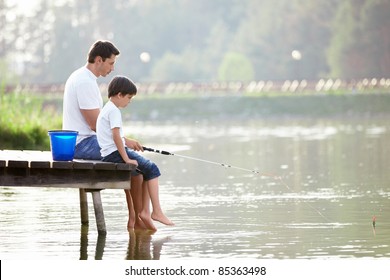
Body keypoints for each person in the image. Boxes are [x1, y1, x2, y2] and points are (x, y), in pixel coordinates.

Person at [62, 40, 147, 230]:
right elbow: (95, 125)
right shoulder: (85, 81)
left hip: (85, 141)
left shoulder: (82, 77)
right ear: (98, 60)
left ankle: (135, 216)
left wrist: (124, 142)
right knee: (134, 163)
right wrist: (124, 142)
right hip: (82, 144)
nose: (112, 68)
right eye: (110, 63)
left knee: (132, 161)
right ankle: (136, 219)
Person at [97, 75, 174, 229]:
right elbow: (116, 137)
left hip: (109, 154)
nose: (129, 101)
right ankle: (156, 211)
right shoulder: (114, 111)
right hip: (115, 154)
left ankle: (145, 212)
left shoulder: (107, 108)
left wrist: (128, 147)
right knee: (152, 168)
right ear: (119, 95)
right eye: (129, 97)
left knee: (144, 171)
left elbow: (116, 137)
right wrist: (126, 158)